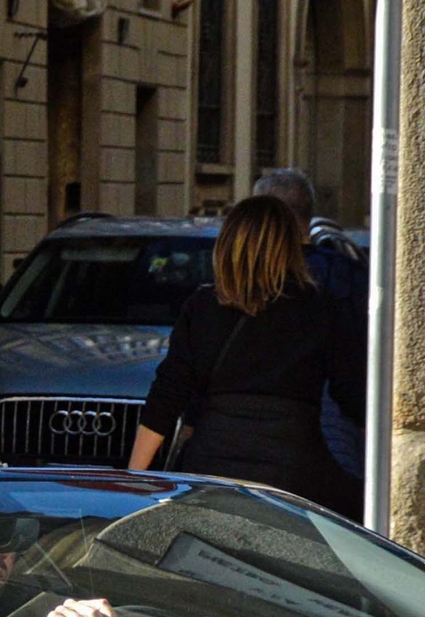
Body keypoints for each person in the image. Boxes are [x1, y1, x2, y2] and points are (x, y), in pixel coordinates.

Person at [129, 194, 367, 511]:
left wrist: (133, 480)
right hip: (292, 470)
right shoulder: (320, 306)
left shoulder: (202, 307)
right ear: (289, 248)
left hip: (210, 468)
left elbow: (167, 396)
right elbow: (353, 393)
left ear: (226, 247)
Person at [252, 167, 367, 481]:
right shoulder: (345, 274)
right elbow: (358, 358)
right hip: (334, 428)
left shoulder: (245, 279)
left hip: (256, 434)